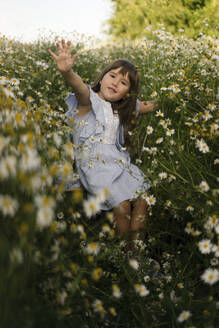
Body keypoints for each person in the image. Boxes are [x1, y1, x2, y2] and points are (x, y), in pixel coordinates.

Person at [48, 40, 157, 251]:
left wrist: (172, 99)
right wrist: (67, 71)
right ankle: (126, 258)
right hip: (95, 165)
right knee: (123, 205)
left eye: (124, 83)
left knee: (145, 199)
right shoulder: (88, 101)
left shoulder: (122, 107)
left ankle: (136, 255)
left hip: (119, 163)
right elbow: (78, 86)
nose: (116, 83)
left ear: (127, 92)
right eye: (113, 76)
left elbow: (145, 106)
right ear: (103, 77)